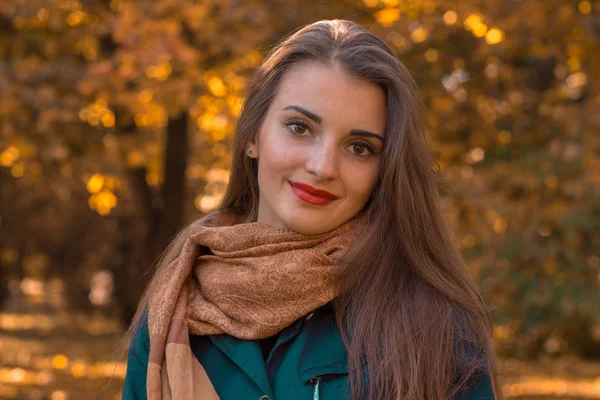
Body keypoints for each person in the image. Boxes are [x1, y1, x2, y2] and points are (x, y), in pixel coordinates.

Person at [121, 19, 502, 400]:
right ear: (254, 135)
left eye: (359, 147)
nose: (322, 167)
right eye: (300, 127)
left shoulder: (437, 330)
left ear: (383, 170)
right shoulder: (175, 308)